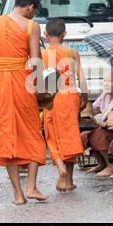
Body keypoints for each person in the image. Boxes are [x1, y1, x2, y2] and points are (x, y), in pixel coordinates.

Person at [0, 0, 49, 205]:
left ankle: (18, 194)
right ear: (30, 7)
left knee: (5, 136)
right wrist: (41, 88)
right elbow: (35, 60)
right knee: (33, 133)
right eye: (34, 11)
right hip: (22, 82)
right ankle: (32, 187)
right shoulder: (31, 26)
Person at [41, 18, 88, 192]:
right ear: (65, 34)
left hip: (51, 97)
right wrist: (84, 97)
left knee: (52, 136)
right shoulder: (72, 52)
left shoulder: (42, 54)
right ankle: (69, 181)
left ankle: (60, 168)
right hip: (70, 97)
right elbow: (81, 78)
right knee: (70, 136)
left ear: (45, 35)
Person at [81, 70, 113, 176]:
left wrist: (95, 121)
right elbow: (93, 110)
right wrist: (84, 112)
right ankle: (103, 163)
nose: (106, 83)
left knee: (98, 135)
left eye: (110, 81)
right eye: (105, 80)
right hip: (109, 131)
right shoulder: (105, 96)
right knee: (84, 136)